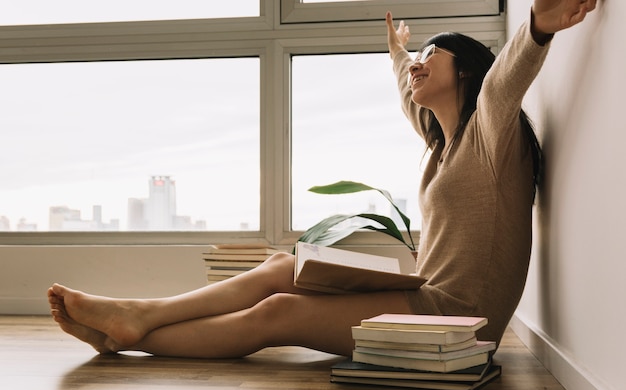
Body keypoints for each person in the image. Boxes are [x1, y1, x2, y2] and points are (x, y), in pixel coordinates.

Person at [47, 0, 596, 359]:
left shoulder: (490, 138)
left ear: (468, 72)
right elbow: (408, 94)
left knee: (278, 312)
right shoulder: (441, 146)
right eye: (418, 57)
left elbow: (505, 82)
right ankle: (137, 318)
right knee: (284, 265)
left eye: (434, 54)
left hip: (457, 324)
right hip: (425, 297)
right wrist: (398, 52)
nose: (419, 64)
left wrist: (539, 25)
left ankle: (138, 331)